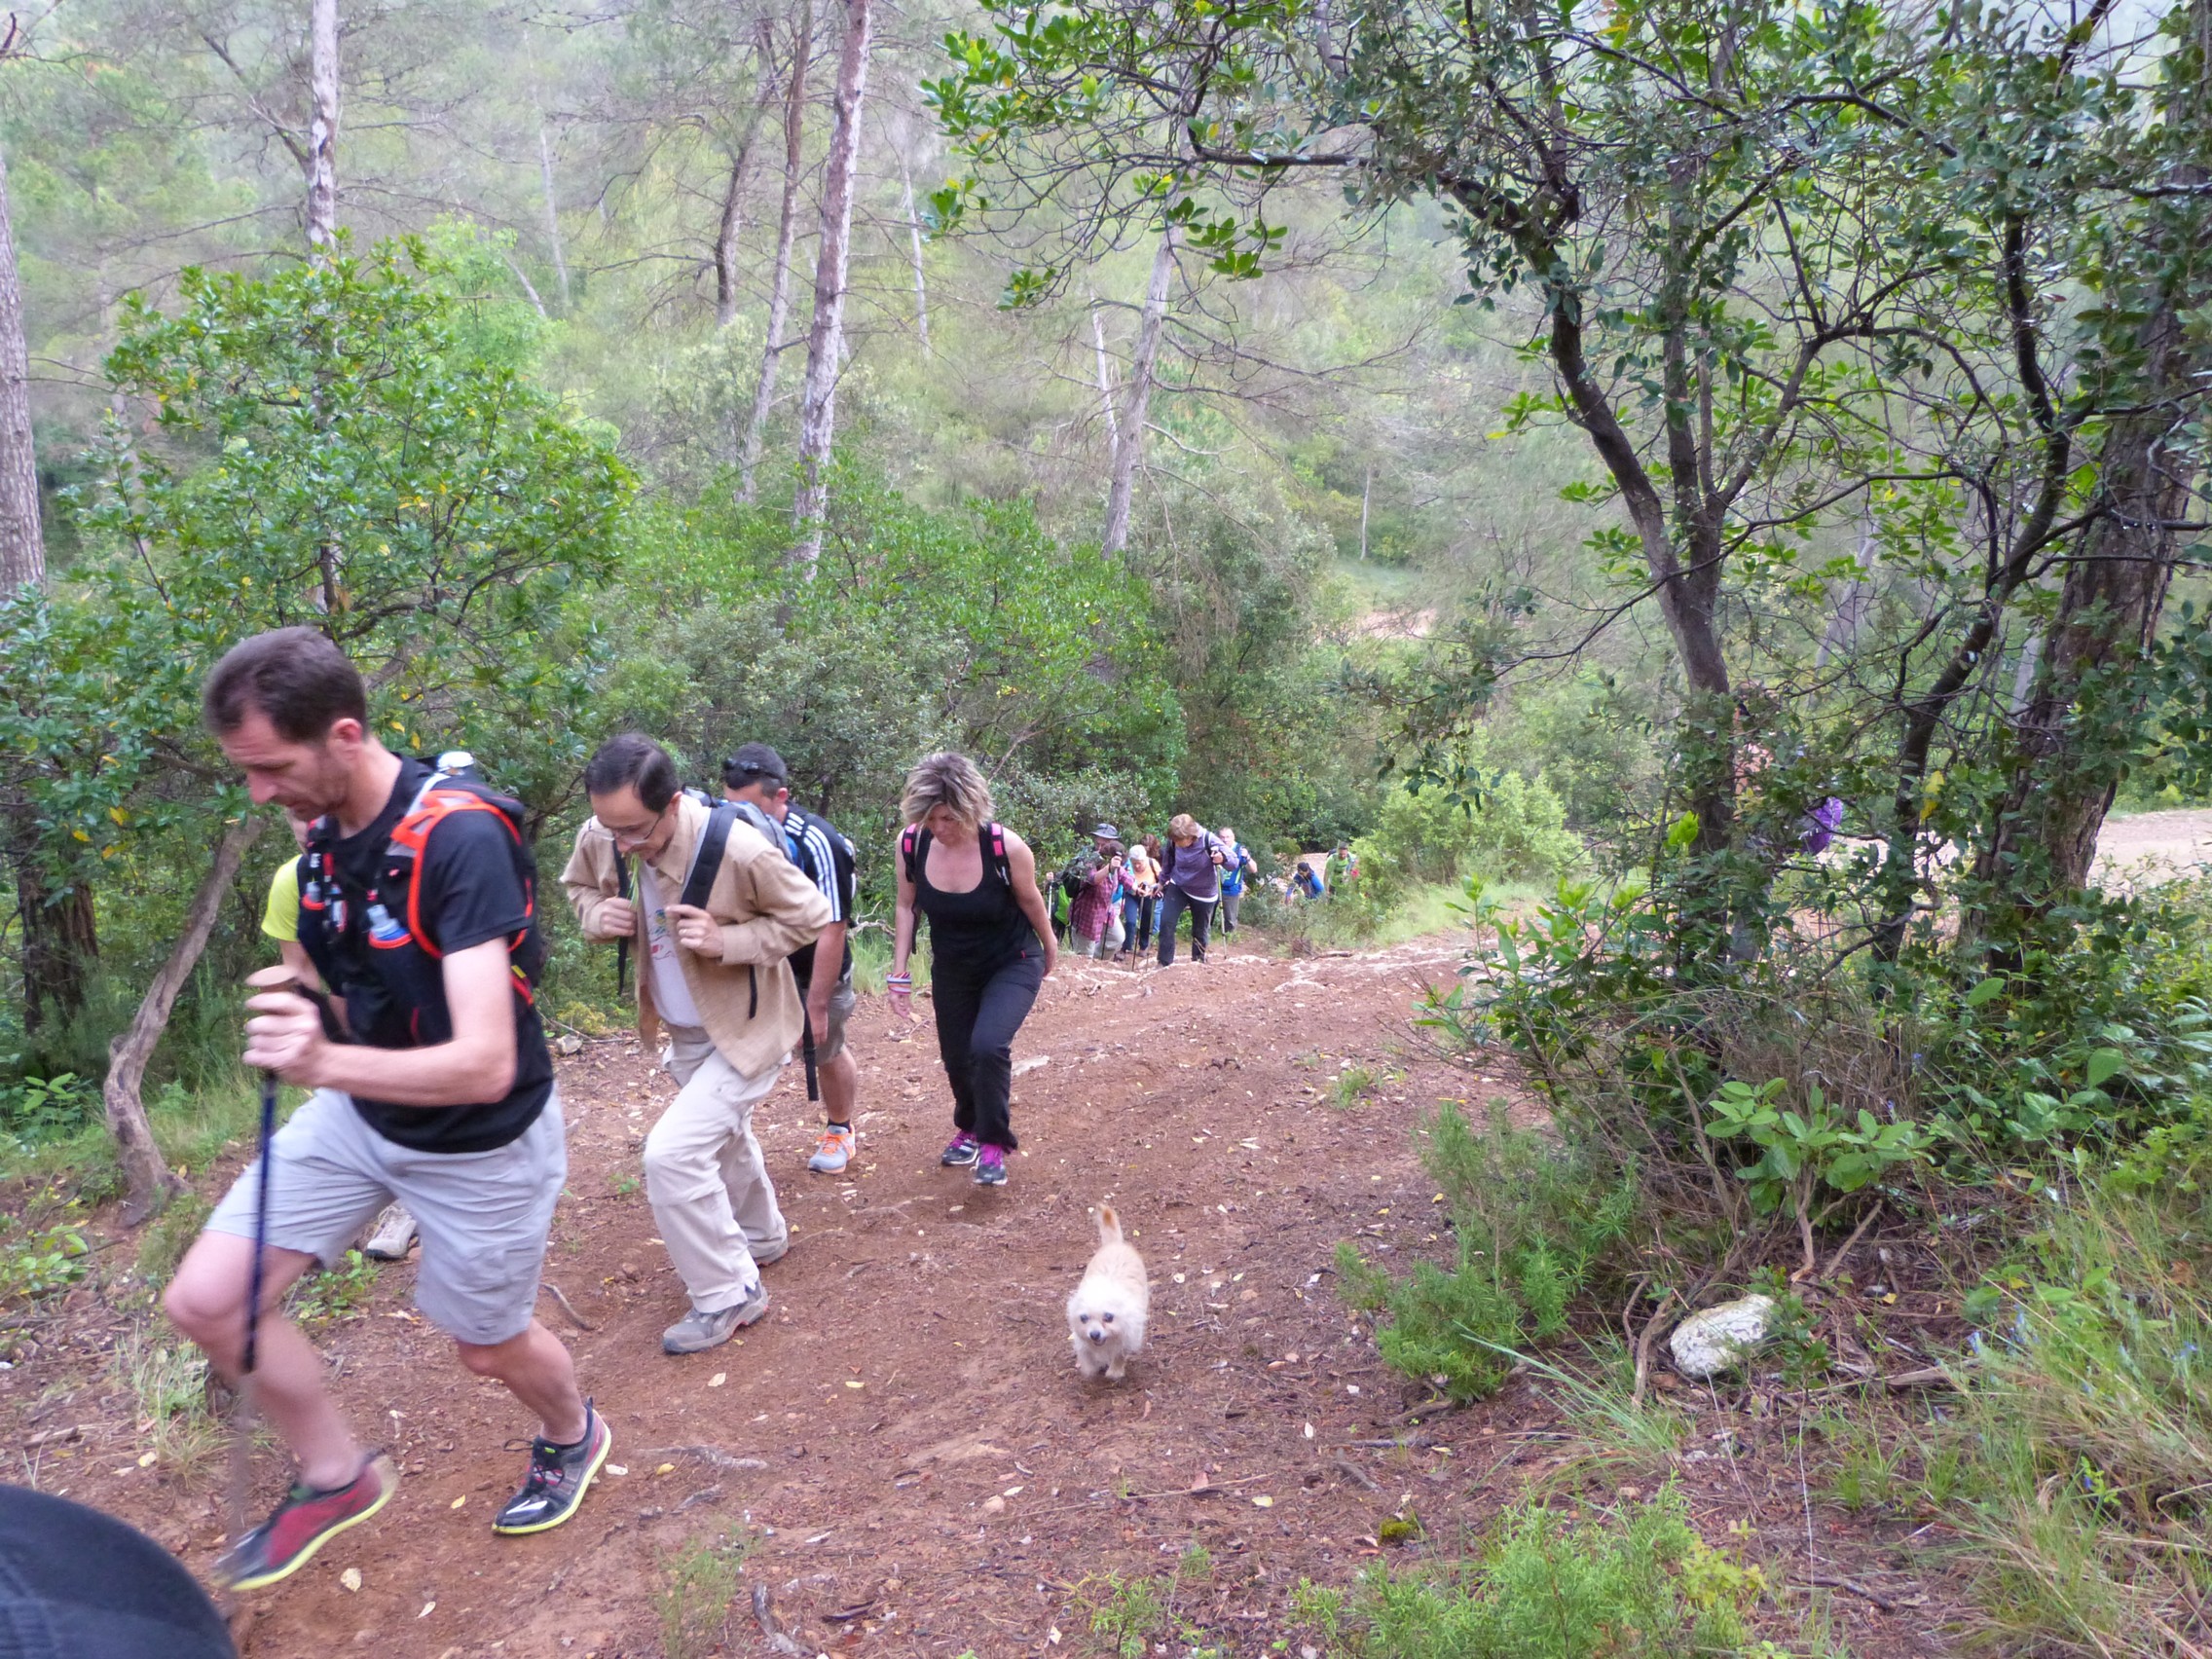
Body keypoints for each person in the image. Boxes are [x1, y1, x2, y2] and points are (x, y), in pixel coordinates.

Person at [166, 628, 607, 1593]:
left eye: (273, 768)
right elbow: (360, 996)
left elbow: (484, 1064)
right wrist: (303, 1012)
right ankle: (336, 1476)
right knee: (208, 1301)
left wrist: (322, 1056)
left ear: (343, 734)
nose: (259, 793)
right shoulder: (323, 839)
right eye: (246, 772)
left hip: (484, 1140)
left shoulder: (458, 840)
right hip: (362, 1112)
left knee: (486, 1348)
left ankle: (573, 1431)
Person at [562, 735, 830, 1354]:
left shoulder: (736, 847)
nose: (621, 844)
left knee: (673, 1154)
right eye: (610, 829)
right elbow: (578, 886)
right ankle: (761, 1238)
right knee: (724, 1138)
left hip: (751, 1027)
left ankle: (728, 1293)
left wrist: (727, 941)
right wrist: (595, 914)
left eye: (635, 831)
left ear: (674, 803)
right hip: (684, 1030)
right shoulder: (604, 832)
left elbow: (810, 914)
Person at [889, 753, 1056, 1188]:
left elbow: (1031, 900)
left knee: (988, 1046)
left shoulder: (1005, 847)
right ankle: (968, 1127)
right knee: (956, 1057)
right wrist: (899, 972)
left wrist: (1050, 945)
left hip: (1012, 961)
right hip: (953, 967)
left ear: (970, 808)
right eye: (930, 818)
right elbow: (906, 907)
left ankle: (993, 1143)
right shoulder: (912, 844)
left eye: (947, 818)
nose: (939, 828)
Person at [260, 809, 419, 1264]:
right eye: (296, 818)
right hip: (347, 1011)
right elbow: (301, 974)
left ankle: (407, 1208)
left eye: (313, 816)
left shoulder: (395, 862)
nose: (306, 827)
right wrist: (336, 1045)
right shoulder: (292, 882)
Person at [720, 743, 863, 1176]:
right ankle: (722, 1137)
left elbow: (833, 925)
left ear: (779, 797)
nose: (739, 818)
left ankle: (840, 1129)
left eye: (749, 808)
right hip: (759, 965)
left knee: (824, 1046)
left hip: (814, 966)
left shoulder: (817, 840)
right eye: (731, 806)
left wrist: (816, 1003)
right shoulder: (723, 831)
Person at [1157, 813, 1226, 967]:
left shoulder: (1209, 840)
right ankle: (1163, 962)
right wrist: (1161, 882)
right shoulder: (1173, 841)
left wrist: (1222, 858)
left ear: (1190, 837)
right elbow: (1168, 862)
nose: (1176, 843)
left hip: (1204, 892)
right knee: (1166, 921)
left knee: (1200, 930)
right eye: (1175, 840)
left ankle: (1198, 962)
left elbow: (1233, 862)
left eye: (1179, 840)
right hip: (1179, 885)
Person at [1069, 827, 1125, 958]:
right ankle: (1087, 963)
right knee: (1084, 955)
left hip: (1106, 910)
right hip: (1087, 913)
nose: (1099, 848)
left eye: (1103, 845)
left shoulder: (1115, 857)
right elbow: (1092, 879)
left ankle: (1097, 960)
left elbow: (1124, 875)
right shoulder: (1088, 857)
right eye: (1097, 844)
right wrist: (1109, 868)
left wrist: (1139, 888)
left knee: (1117, 938)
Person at [1120, 833, 1161, 960]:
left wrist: (1154, 888)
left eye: (1139, 863)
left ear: (1144, 859)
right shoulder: (1127, 865)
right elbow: (1122, 879)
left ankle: (1143, 946)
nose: (1137, 866)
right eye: (1134, 863)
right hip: (1131, 895)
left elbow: (1162, 880)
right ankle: (1126, 946)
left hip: (1148, 895)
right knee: (1130, 921)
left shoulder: (1152, 863)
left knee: (1146, 921)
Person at [1213, 825, 1258, 935]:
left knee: (1230, 919)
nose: (1225, 840)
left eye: (1228, 837)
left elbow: (1254, 869)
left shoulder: (1240, 850)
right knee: (1208, 914)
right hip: (1213, 887)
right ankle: (1209, 935)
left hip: (1231, 888)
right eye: (1222, 837)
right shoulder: (1215, 848)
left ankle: (1229, 936)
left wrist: (1247, 857)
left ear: (1233, 837)